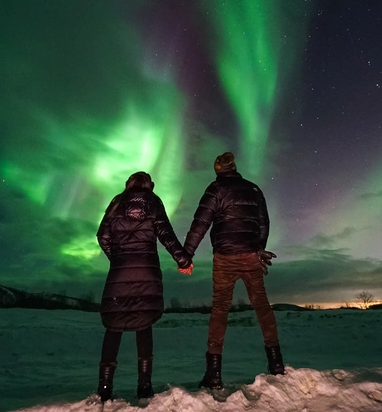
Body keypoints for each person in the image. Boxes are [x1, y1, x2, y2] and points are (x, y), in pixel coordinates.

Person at [183, 152, 283, 389]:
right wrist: (258, 248)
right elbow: (263, 223)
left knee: (219, 310)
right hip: (250, 256)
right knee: (262, 306)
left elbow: (200, 223)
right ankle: (277, 363)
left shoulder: (215, 189)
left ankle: (214, 373)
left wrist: (186, 255)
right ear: (234, 168)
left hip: (225, 258)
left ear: (218, 171)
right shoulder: (254, 190)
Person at [95, 171, 193, 402]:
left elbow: (102, 236)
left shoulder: (116, 202)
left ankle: (105, 388)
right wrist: (183, 260)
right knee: (144, 322)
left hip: (119, 272)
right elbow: (166, 234)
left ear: (128, 184)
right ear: (149, 185)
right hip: (147, 270)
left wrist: (118, 259)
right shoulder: (153, 201)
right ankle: (144, 386)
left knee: (114, 325)